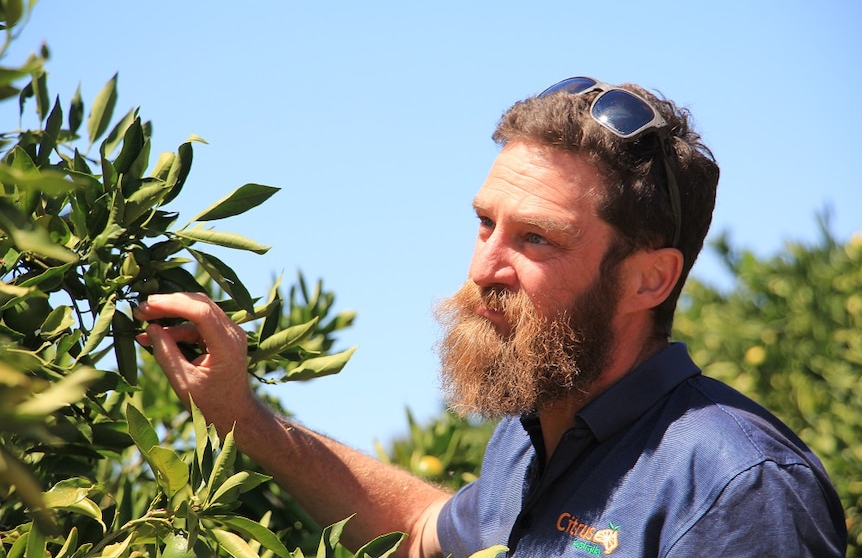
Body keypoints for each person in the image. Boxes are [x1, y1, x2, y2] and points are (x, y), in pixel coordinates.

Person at [135, 76, 847, 557]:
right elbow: (419, 534)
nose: (484, 269)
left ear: (649, 278)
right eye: (485, 224)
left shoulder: (739, 485)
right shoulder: (528, 437)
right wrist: (243, 417)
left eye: (536, 237)